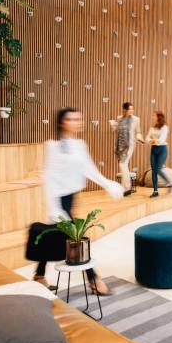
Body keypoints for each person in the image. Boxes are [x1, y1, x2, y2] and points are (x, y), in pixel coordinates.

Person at [36, 107, 124, 295]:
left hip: (71, 196)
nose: (77, 122)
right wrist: (54, 207)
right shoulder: (53, 146)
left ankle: (38, 276)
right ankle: (93, 278)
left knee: (52, 237)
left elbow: (89, 169)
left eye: (79, 119)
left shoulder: (80, 145)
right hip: (58, 199)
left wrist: (108, 185)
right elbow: (49, 177)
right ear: (61, 123)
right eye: (72, 119)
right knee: (76, 238)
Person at [110, 102, 144, 196]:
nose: (132, 111)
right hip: (120, 145)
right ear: (124, 110)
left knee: (122, 164)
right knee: (123, 165)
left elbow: (138, 131)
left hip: (129, 145)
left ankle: (127, 187)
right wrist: (113, 125)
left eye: (132, 109)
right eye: (130, 109)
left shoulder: (136, 119)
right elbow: (117, 130)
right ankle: (124, 187)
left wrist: (140, 138)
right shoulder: (119, 118)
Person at [146, 111, 171, 198]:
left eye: (154, 116)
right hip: (153, 150)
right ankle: (155, 191)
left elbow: (162, 140)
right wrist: (152, 141)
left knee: (158, 169)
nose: (153, 117)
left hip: (162, 150)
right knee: (154, 171)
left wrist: (153, 140)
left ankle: (168, 182)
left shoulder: (165, 127)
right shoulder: (152, 128)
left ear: (158, 117)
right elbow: (147, 138)